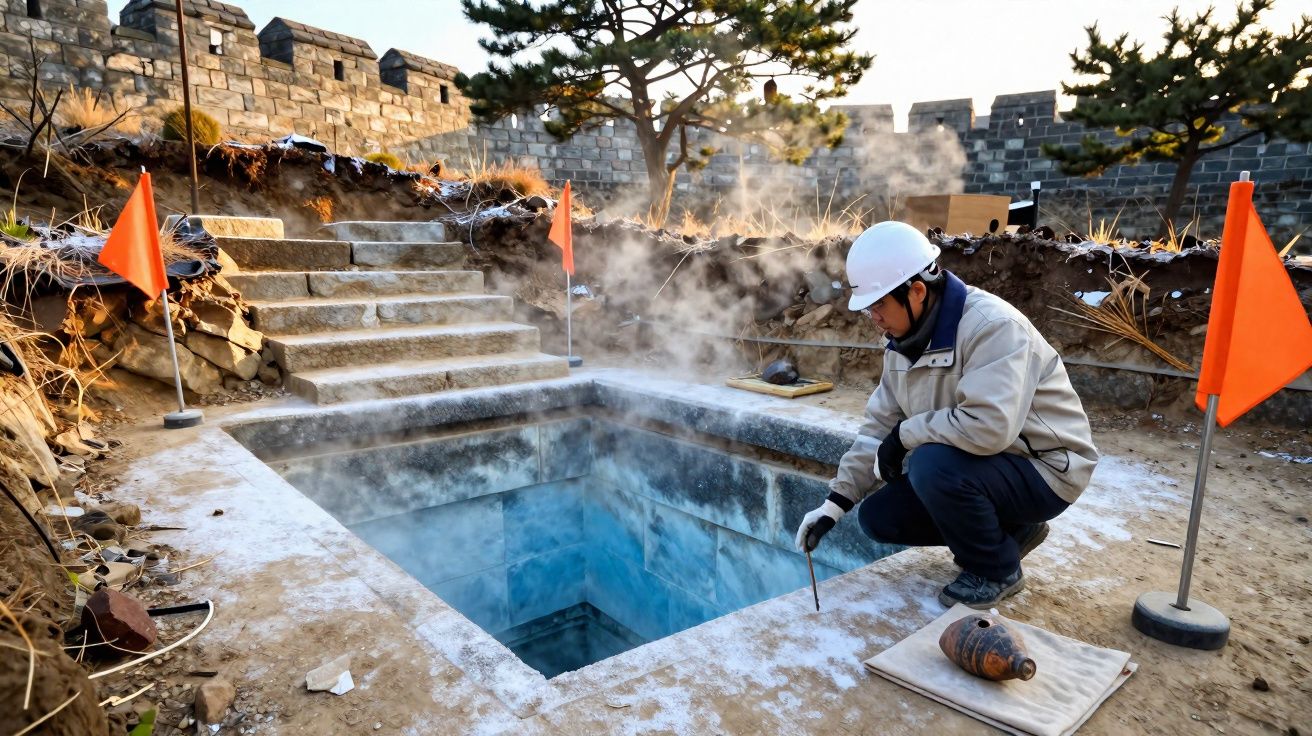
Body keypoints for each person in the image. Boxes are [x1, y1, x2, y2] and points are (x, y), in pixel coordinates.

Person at [794, 221, 1099, 609]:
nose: (874, 317)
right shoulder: (902, 345)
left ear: (917, 291)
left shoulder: (992, 328)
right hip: (990, 467)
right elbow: (877, 428)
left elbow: (989, 428)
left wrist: (906, 435)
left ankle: (996, 568)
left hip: (1045, 470)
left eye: (878, 304)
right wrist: (833, 505)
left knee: (931, 463)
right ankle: (1014, 531)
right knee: (878, 517)